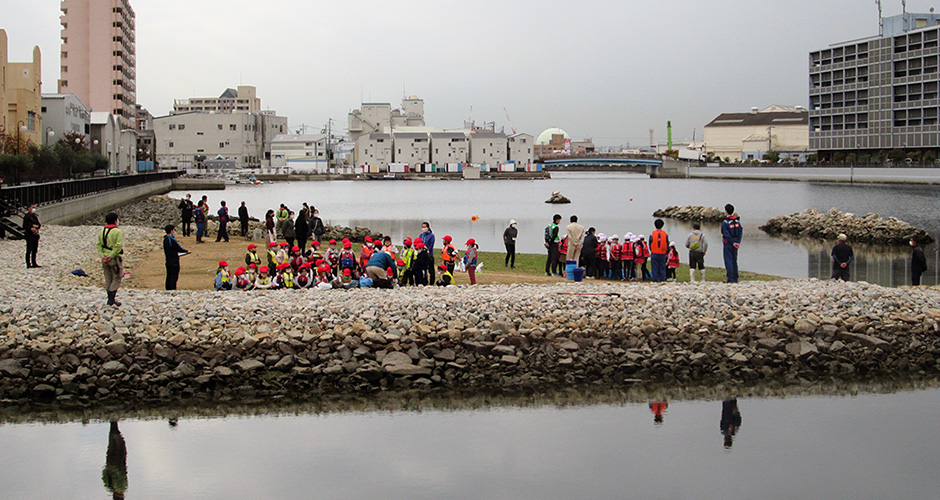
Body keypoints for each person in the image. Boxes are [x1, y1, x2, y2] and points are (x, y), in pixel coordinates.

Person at [96, 212, 124, 306]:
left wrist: (102, 255)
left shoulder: (102, 231)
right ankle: (111, 299)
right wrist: (111, 255)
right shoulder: (117, 231)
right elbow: (118, 246)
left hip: (104, 257)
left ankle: (109, 297)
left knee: (108, 277)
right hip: (113, 258)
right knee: (117, 276)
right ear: (116, 220)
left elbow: (99, 245)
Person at [102, 421, 128, 499]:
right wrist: (108, 467)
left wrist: (112, 468)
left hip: (117, 463)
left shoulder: (122, 487)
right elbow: (104, 474)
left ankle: (113, 423)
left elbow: (123, 473)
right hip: (111, 462)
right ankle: (113, 424)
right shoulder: (109, 487)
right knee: (113, 443)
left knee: (117, 444)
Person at [163, 224, 189, 290]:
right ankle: (172, 289)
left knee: (169, 275)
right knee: (173, 276)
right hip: (173, 261)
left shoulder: (165, 239)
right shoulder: (171, 239)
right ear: (171, 231)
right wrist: (186, 251)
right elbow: (178, 248)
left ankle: (168, 288)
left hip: (168, 260)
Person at [721, 203, 742, 283]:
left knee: (728, 260)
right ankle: (735, 277)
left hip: (728, 243)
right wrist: (737, 241)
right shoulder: (737, 222)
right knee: (734, 260)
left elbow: (726, 234)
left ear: (726, 211)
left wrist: (733, 242)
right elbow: (740, 231)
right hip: (736, 243)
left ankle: (730, 278)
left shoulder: (725, 222)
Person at [22, 204, 41, 268]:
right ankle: (28, 263)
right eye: (32, 207)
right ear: (29, 208)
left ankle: (34, 262)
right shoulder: (27, 216)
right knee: (29, 249)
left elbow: (39, 224)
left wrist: (37, 227)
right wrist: (30, 228)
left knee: (35, 249)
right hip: (29, 235)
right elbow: (24, 226)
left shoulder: (35, 216)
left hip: (35, 235)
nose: (34, 209)